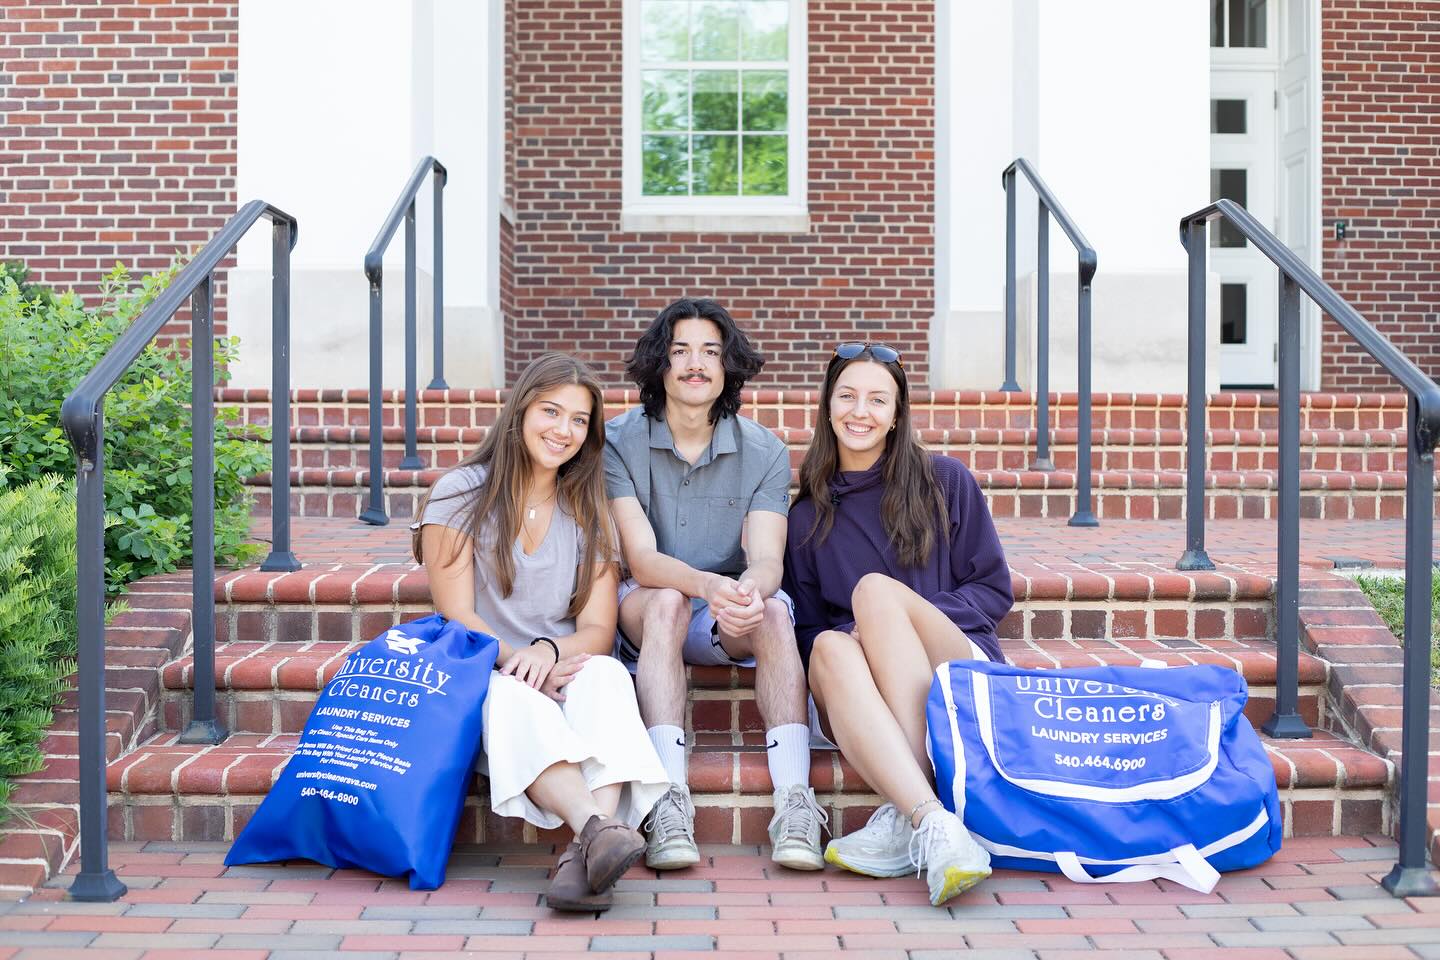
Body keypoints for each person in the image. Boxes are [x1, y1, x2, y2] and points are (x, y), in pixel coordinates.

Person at [413, 352, 668, 912]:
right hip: (485, 671)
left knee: (605, 676)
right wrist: (522, 662)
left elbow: (598, 629)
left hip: (562, 666)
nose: (564, 430)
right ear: (520, 410)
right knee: (512, 698)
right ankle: (596, 829)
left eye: (579, 420)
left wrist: (551, 652)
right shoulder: (459, 493)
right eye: (552, 412)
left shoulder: (588, 509)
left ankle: (588, 850)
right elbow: (459, 617)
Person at [782, 342, 1014, 907]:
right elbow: (808, 631)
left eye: (877, 400)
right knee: (832, 650)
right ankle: (931, 822)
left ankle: (904, 809)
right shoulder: (808, 516)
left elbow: (992, 590)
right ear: (827, 406)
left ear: (897, 413)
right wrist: (861, 639)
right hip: (866, 692)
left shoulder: (946, 481)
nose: (860, 412)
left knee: (873, 595)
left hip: (955, 666)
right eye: (848, 396)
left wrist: (892, 619)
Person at [604, 297, 825, 871]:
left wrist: (747, 592)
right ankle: (666, 800)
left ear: (728, 367)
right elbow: (643, 559)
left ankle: (795, 801)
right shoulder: (617, 442)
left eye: (710, 352)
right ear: (660, 365)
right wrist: (706, 585)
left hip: (720, 612)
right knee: (668, 603)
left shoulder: (765, 451)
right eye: (680, 352)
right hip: (650, 605)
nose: (694, 364)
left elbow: (769, 559)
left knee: (774, 611)